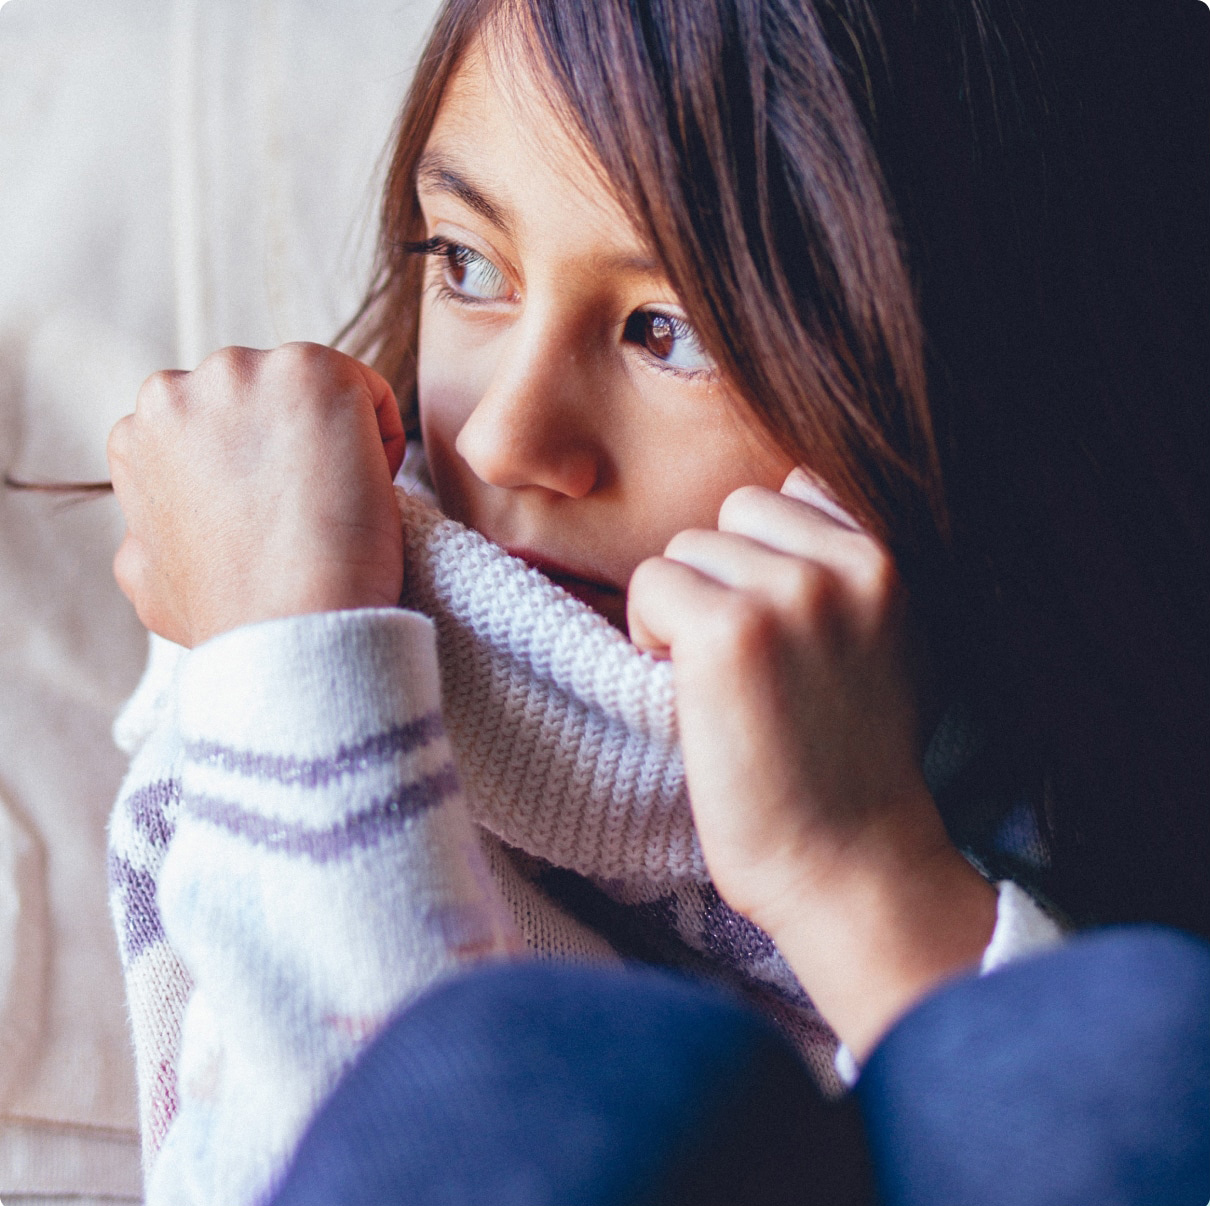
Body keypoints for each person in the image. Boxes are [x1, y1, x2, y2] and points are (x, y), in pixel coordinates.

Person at [100, 0, 1210, 1202]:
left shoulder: (1106, 805)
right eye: (468, 266)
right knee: (560, 1091)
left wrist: (846, 868)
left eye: (671, 332)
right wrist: (289, 664)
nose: (510, 436)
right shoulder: (292, 660)